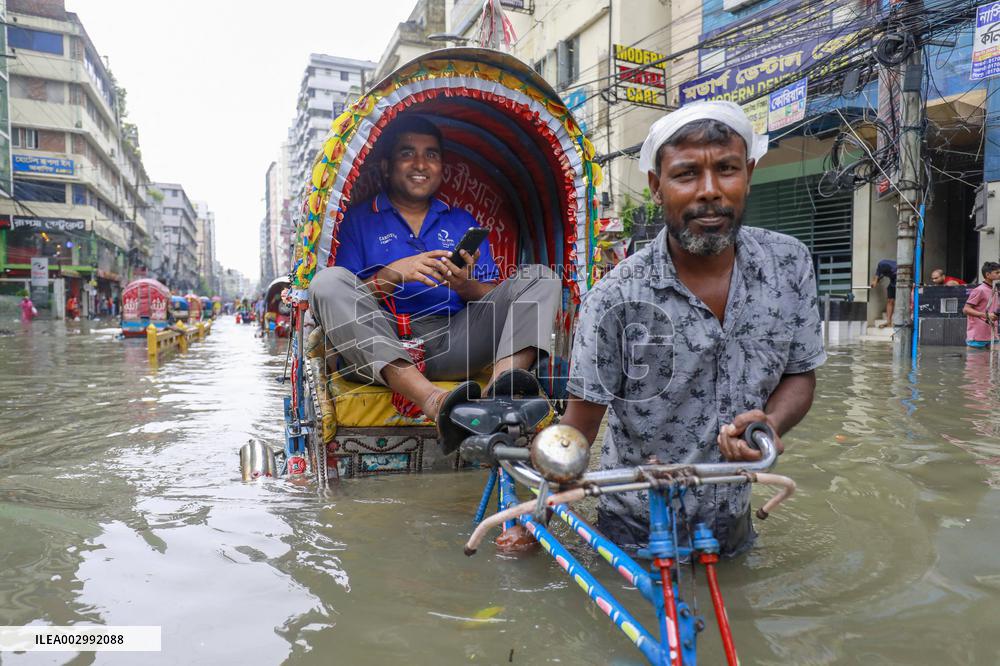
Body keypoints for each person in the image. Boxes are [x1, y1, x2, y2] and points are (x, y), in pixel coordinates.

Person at [559, 100, 825, 557]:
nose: (709, 191)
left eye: (726, 169)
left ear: (749, 173)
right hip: (635, 531)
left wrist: (771, 423)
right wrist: (535, 514)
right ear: (656, 187)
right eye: (686, 174)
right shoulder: (615, 297)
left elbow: (800, 374)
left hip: (735, 521)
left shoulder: (789, 264)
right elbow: (577, 432)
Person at [308, 114, 560, 426]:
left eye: (431, 155)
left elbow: (493, 294)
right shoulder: (357, 220)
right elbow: (342, 301)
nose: (420, 164)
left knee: (541, 277)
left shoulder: (462, 221)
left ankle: (501, 392)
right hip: (380, 345)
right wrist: (393, 274)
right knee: (327, 282)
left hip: (454, 340)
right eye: (407, 153)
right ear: (386, 167)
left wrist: (464, 286)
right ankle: (430, 398)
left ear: (441, 168)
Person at [962, 261, 1000, 349]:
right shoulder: (979, 290)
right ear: (987, 275)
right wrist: (986, 315)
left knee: (994, 361)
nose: (999, 275)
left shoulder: (996, 290)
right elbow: (966, 310)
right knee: (976, 361)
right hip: (977, 337)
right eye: (997, 272)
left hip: (993, 335)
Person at [871, 259, 897, 327]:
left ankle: (901, 322)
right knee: (889, 300)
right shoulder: (880, 264)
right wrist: (875, 282)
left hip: (900, 281)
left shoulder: (895, 268)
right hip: (892, 282)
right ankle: (888, 321)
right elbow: (877, 275)